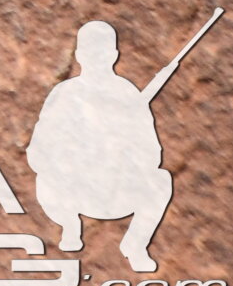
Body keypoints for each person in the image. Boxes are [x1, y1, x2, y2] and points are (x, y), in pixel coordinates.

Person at [33, 17, 202, 273]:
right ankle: (69, 226)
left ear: (114, 54)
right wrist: (73, 155)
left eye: (102, 52)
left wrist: (123, 148)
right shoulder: (65, 94)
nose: (96, 58)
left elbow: (152, 152)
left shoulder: (127, 94)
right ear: (79, 55)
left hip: (117, 190)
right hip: (75, 190)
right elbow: (39, 150)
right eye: (90, 51)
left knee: (160, 180)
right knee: (45, 179)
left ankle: (135, 245)